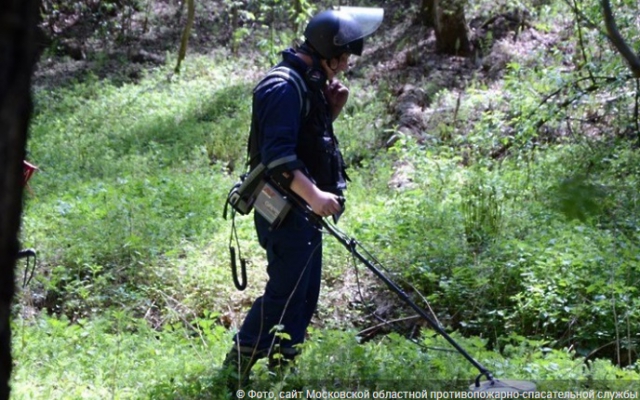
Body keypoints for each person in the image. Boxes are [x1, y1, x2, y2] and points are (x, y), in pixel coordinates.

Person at [221, 7, 384, 389]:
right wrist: (314, 195)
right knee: (284, 290)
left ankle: (281, 366)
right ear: (327, 51)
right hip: (282, 206)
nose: (345, 65)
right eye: (343, 57)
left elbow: (305, 140)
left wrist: (331, 110)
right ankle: (235, 371)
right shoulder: (282, 86)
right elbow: (278, 157)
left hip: (300, 208)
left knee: (305, 291)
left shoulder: (309, 81)